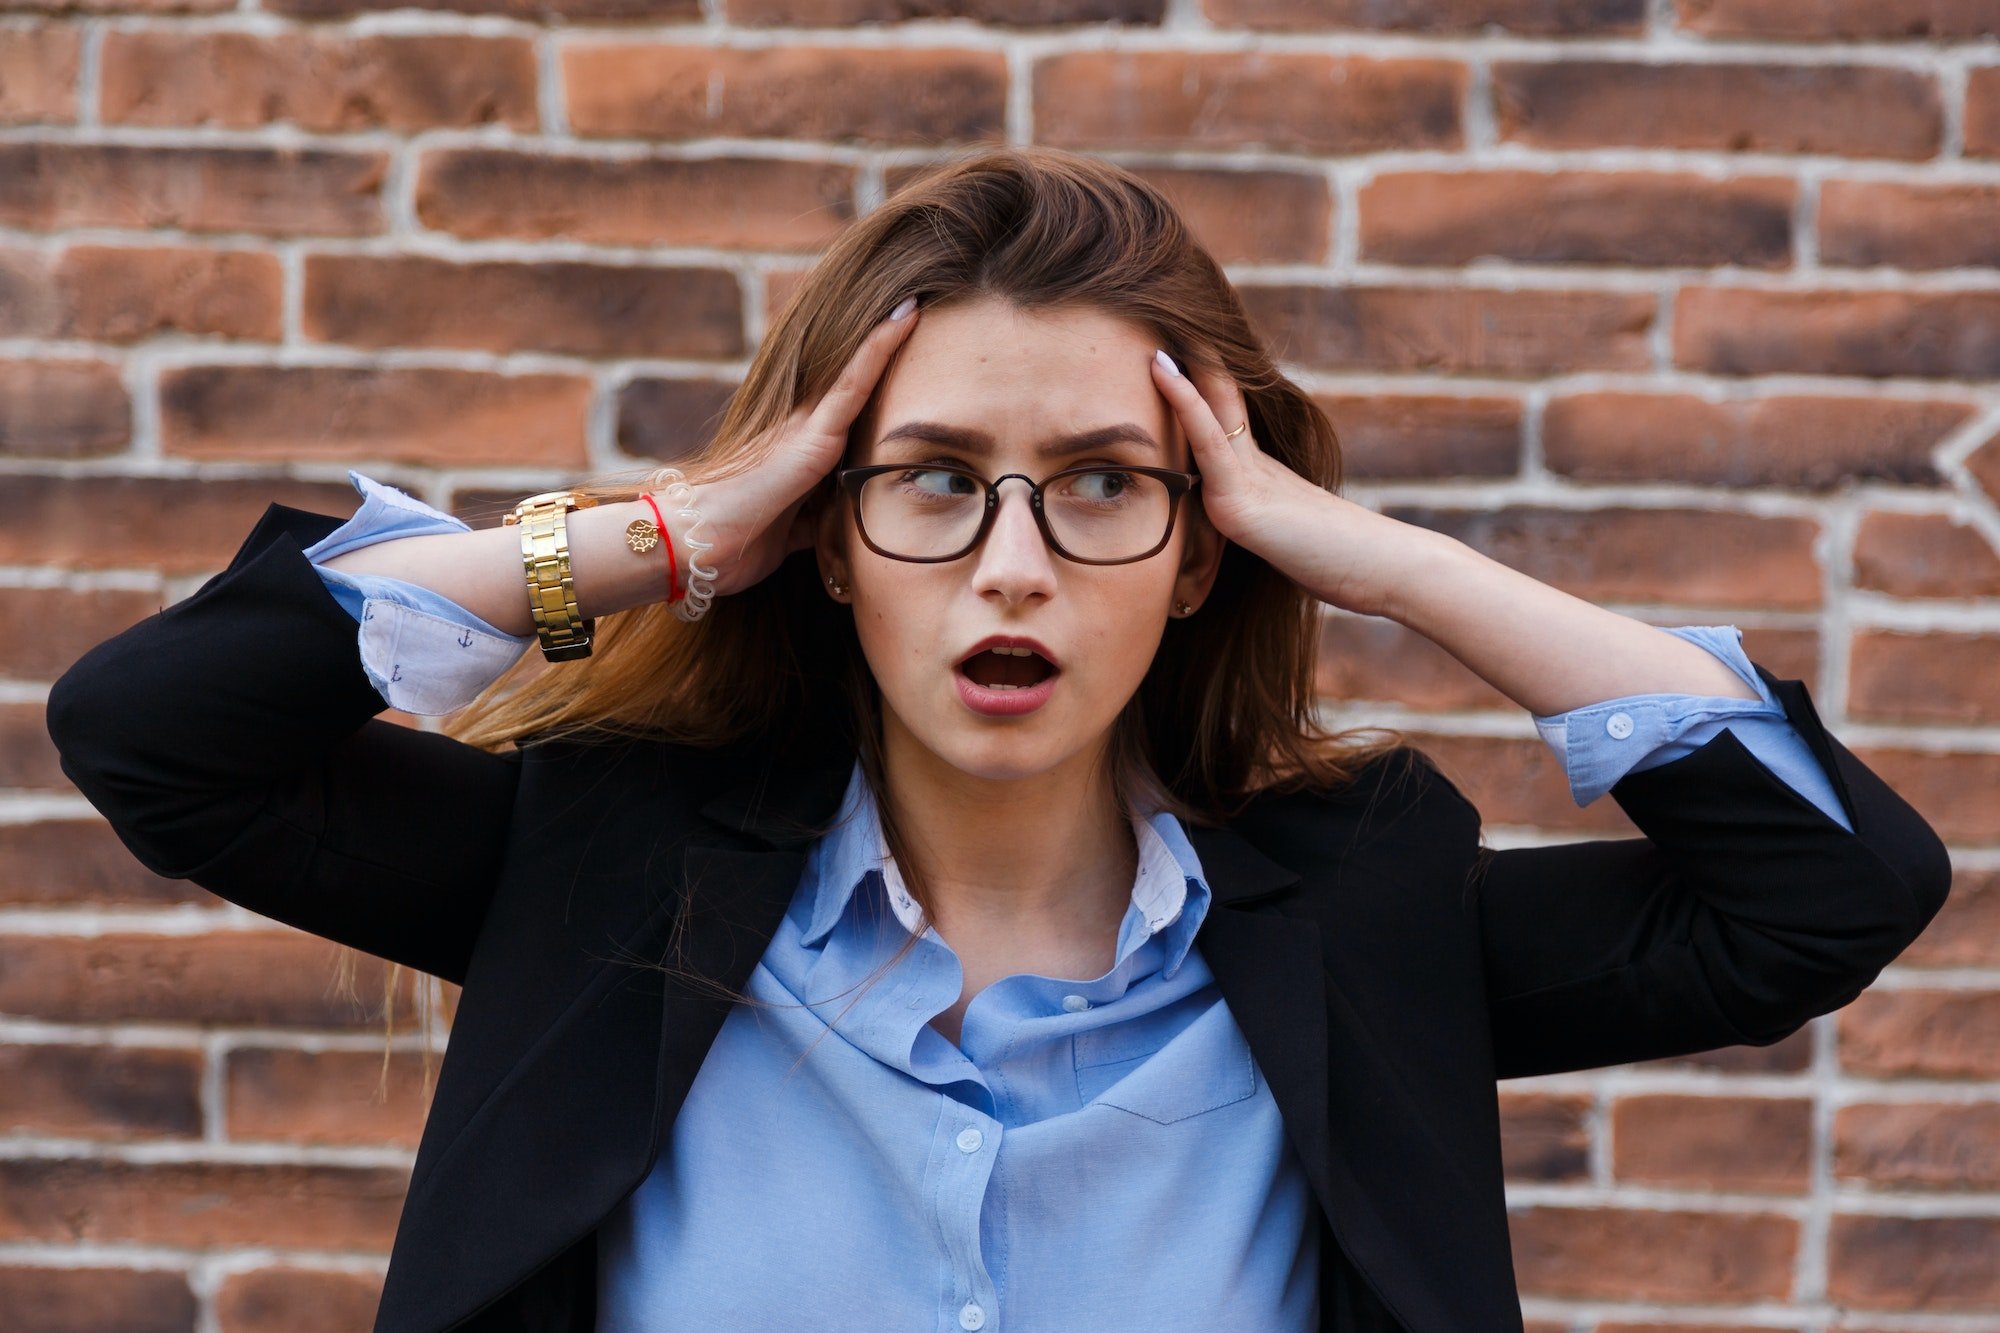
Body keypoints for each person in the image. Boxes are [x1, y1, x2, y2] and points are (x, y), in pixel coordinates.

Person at [45, 146, 1950, 1333]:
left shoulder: (1362, 921)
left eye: (1108, 487)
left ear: (1202, 554)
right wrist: (674, 532)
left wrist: (1371, 558)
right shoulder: (605, 875)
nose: (1015, 567)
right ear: (828, 544)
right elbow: (158, 735)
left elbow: (1829, 888)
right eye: (935, 485)